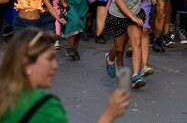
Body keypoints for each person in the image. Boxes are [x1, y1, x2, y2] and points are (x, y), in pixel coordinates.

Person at [0, 27, 129, 123]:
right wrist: (109, 115)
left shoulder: (5, 99)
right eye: (49, 59)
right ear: (26, 61)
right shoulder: (45, 106)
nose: (55, 65)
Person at [104, 0, 146, 89]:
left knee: (136, 44)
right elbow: (119, 0)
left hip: (134, 14)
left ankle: (136, 75)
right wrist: (132, 17)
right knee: (119, 47)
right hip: (119, 16)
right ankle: (110, 58)